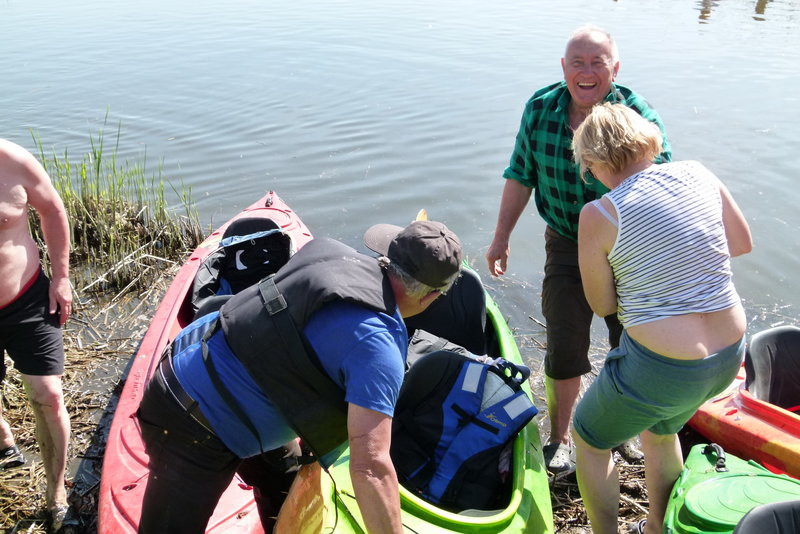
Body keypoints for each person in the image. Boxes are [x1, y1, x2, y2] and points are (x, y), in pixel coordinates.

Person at [136, 220, 463, 534]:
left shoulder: (329, 251)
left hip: (202, 348)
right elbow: (371, 467)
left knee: (289, 476)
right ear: (430, 296)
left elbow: (289, 331)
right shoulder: (379, 350)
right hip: (187, 415)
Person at [485, 24, 671, 476]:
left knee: (628, 341)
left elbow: (666, 185)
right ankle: (561, 438)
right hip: (566, 242)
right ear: (563, 67)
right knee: (564, 338)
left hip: (626, 246)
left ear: (615, 68)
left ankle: (622, 428)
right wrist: (501, 237)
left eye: (598, 63)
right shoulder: (541, 108)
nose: (587, 73)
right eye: (578, 63)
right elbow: (520, 174)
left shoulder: (636, 113)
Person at [570, 102, 752, 534]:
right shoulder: (698, 172)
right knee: (660, 429)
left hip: (664, 369)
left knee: (589, 439)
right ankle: (656, 526)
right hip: (728, 356)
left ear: (593, 162)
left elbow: (603, 305)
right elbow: (741, 242)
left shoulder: (600, 214)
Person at [0, 139, 72, 530]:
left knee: (49, 394)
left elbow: (52, 209)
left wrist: (61, 277)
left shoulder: (12, 161)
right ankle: (4, 440)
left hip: (26, 298)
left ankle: (55, 491)